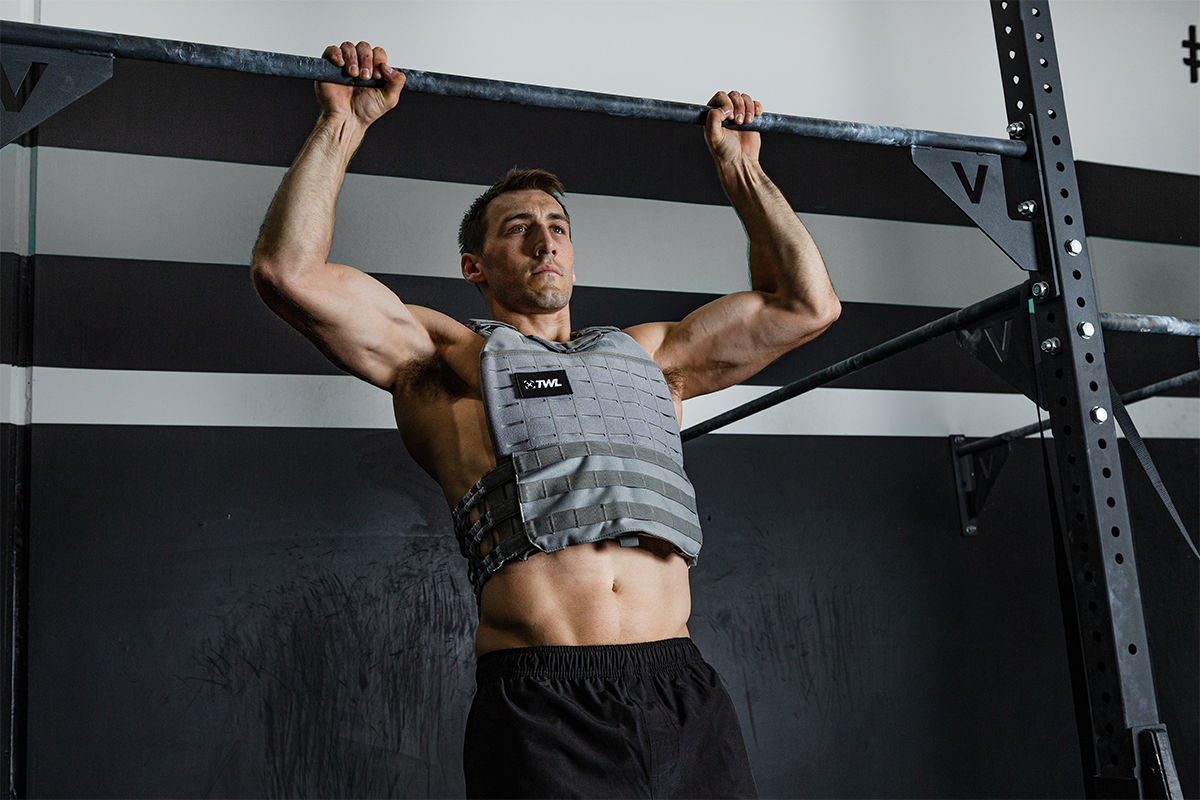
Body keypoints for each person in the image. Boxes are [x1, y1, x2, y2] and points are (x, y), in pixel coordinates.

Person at [251, 40, 840, 799]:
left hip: (683, 691)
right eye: (517, 227)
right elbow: (288, 273)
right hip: (544, 702)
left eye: (557, 225)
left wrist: (741, 168)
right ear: (476, 266)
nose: (544, 237)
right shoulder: (446, 357)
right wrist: (345, 122)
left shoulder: (650, 356)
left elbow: (808, 304)